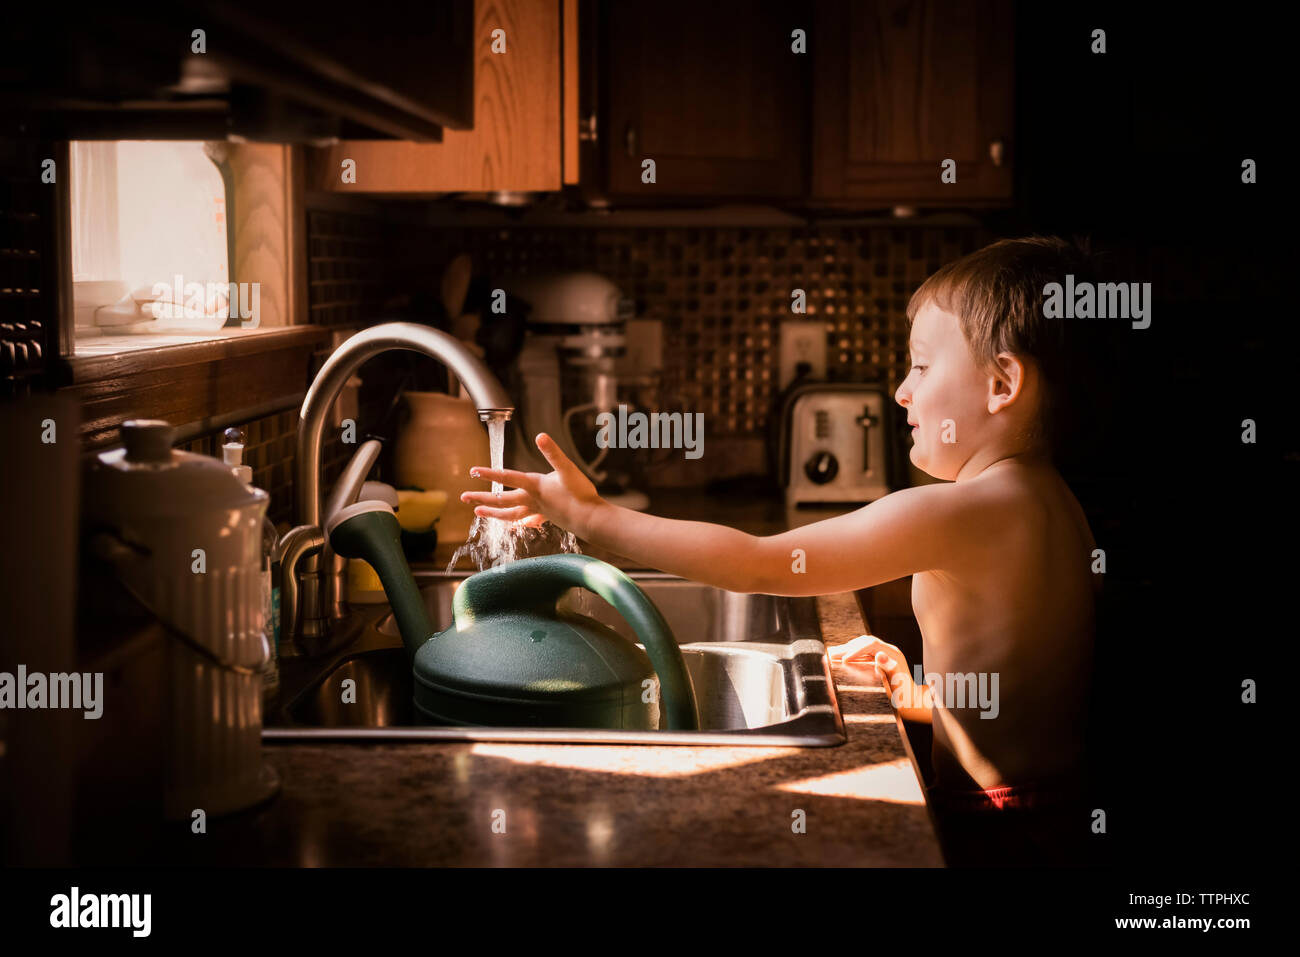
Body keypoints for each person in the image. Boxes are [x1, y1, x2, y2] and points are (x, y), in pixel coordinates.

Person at [463, 237, 1101, 866]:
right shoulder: (1059, 505)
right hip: (1059, 810)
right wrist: (923, 696)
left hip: (993, 827)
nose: (903, 391)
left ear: (1001, 382)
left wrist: (591, 517)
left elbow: (757, 562)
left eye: (923, 367)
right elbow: (1026, 692)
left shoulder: (963, 510)